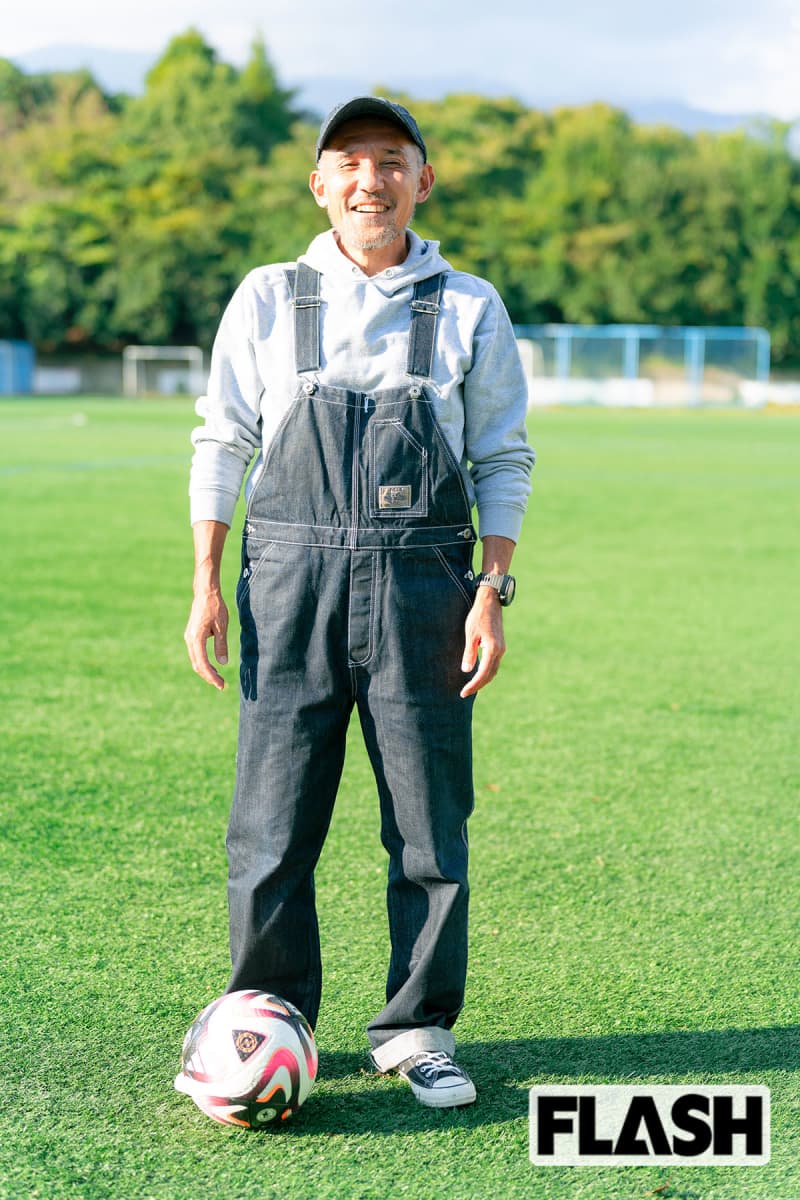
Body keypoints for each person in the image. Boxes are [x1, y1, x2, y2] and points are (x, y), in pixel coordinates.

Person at [184, 96, 534, 1108]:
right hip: (287, 584)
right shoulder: (267, 295)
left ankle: (416, 1029)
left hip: (426, 588)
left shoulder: (468, 305)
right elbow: (222, 439)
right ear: (319, 185)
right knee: (269, 825)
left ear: (422, 180)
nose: (368, 180)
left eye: (389, 160)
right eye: (348, 161)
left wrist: (490, 590)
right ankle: (263, 1020)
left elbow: (501, 456)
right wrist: (205, 580)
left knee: (428, 826)